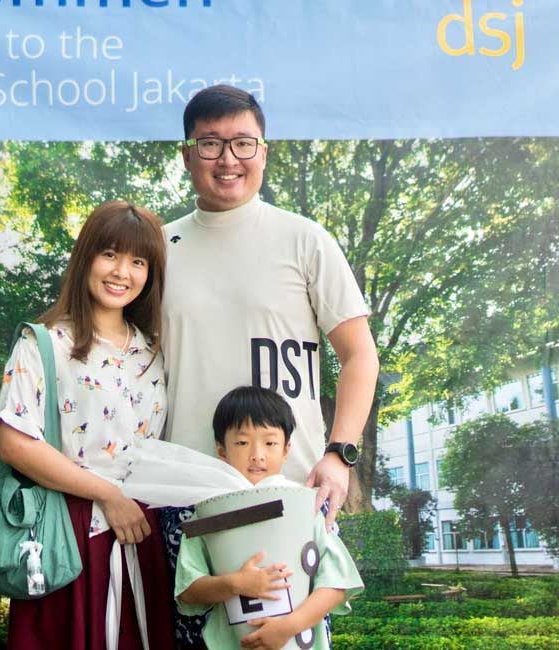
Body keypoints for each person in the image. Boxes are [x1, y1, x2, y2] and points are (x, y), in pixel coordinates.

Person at [159, 84, 378, 647]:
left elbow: (359, 355)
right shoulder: (157, 250)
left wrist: (340, 453)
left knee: (286, 641)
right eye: (209, 144)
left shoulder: (305, 239)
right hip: (186, 498)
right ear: (186, 155)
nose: (227, 159)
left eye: (242, 143)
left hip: (287, 491)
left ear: (264, 150)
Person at [0, 201, 175, 649]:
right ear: (86, 256)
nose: (121, 272)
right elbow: (15, 444)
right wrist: (107, 494)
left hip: (141, 537)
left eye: (138, 261)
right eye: (109, 253)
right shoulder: (45, 343)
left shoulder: (153, 353)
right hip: (65, 539)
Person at [173, 386, 363, 650]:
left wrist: (288, 627)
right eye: (242, 442)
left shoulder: (305, 505)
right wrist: (235, 583)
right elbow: (188, 591)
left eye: (270, 442)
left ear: (286, 449)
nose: (257, 454)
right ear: (221, 449)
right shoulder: (208, 512)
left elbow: (336, 583)